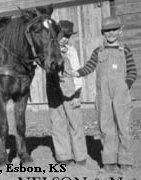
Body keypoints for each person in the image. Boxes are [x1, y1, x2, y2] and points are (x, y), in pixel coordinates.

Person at [71, 16, 137, 173]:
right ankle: (109, 162)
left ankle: (125, 161)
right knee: (106, 126)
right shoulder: (98, 52)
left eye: (114, 29)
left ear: (120, 31)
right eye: (107, 30)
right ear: (103, 33)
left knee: (123, 126)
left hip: (121, 94)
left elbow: (133, 72)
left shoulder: (125, 50)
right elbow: (89, 67)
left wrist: (125, 86)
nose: (111, 33)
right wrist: (77, 73)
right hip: (103, 95)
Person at [46, 20, 88, 167]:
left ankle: (80, 155)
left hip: (70, 90)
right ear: (56, 35)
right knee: (58, 122)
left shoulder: (71, 51)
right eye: (63, 35)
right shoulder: (49, 51)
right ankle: (64, 156)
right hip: (53, 91)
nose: (65, 39)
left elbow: (77, 72)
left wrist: (77, 94)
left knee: (75, 122)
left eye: (68, 36)